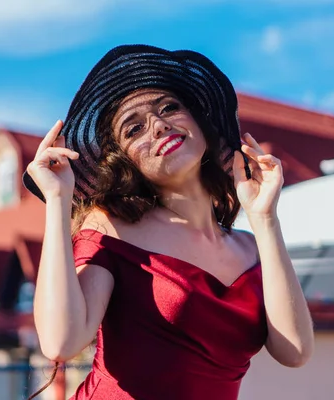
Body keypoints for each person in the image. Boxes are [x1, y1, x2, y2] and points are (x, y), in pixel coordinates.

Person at [23, 44, 314, 400]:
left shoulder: (251, 247)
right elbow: (60, 341)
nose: (159, 126)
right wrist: (57, 200)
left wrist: (265, 217)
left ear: (200, 124)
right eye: (134, 130)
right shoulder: (110, 231)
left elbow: (295, 351)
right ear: (125, 163)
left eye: (170, 108)